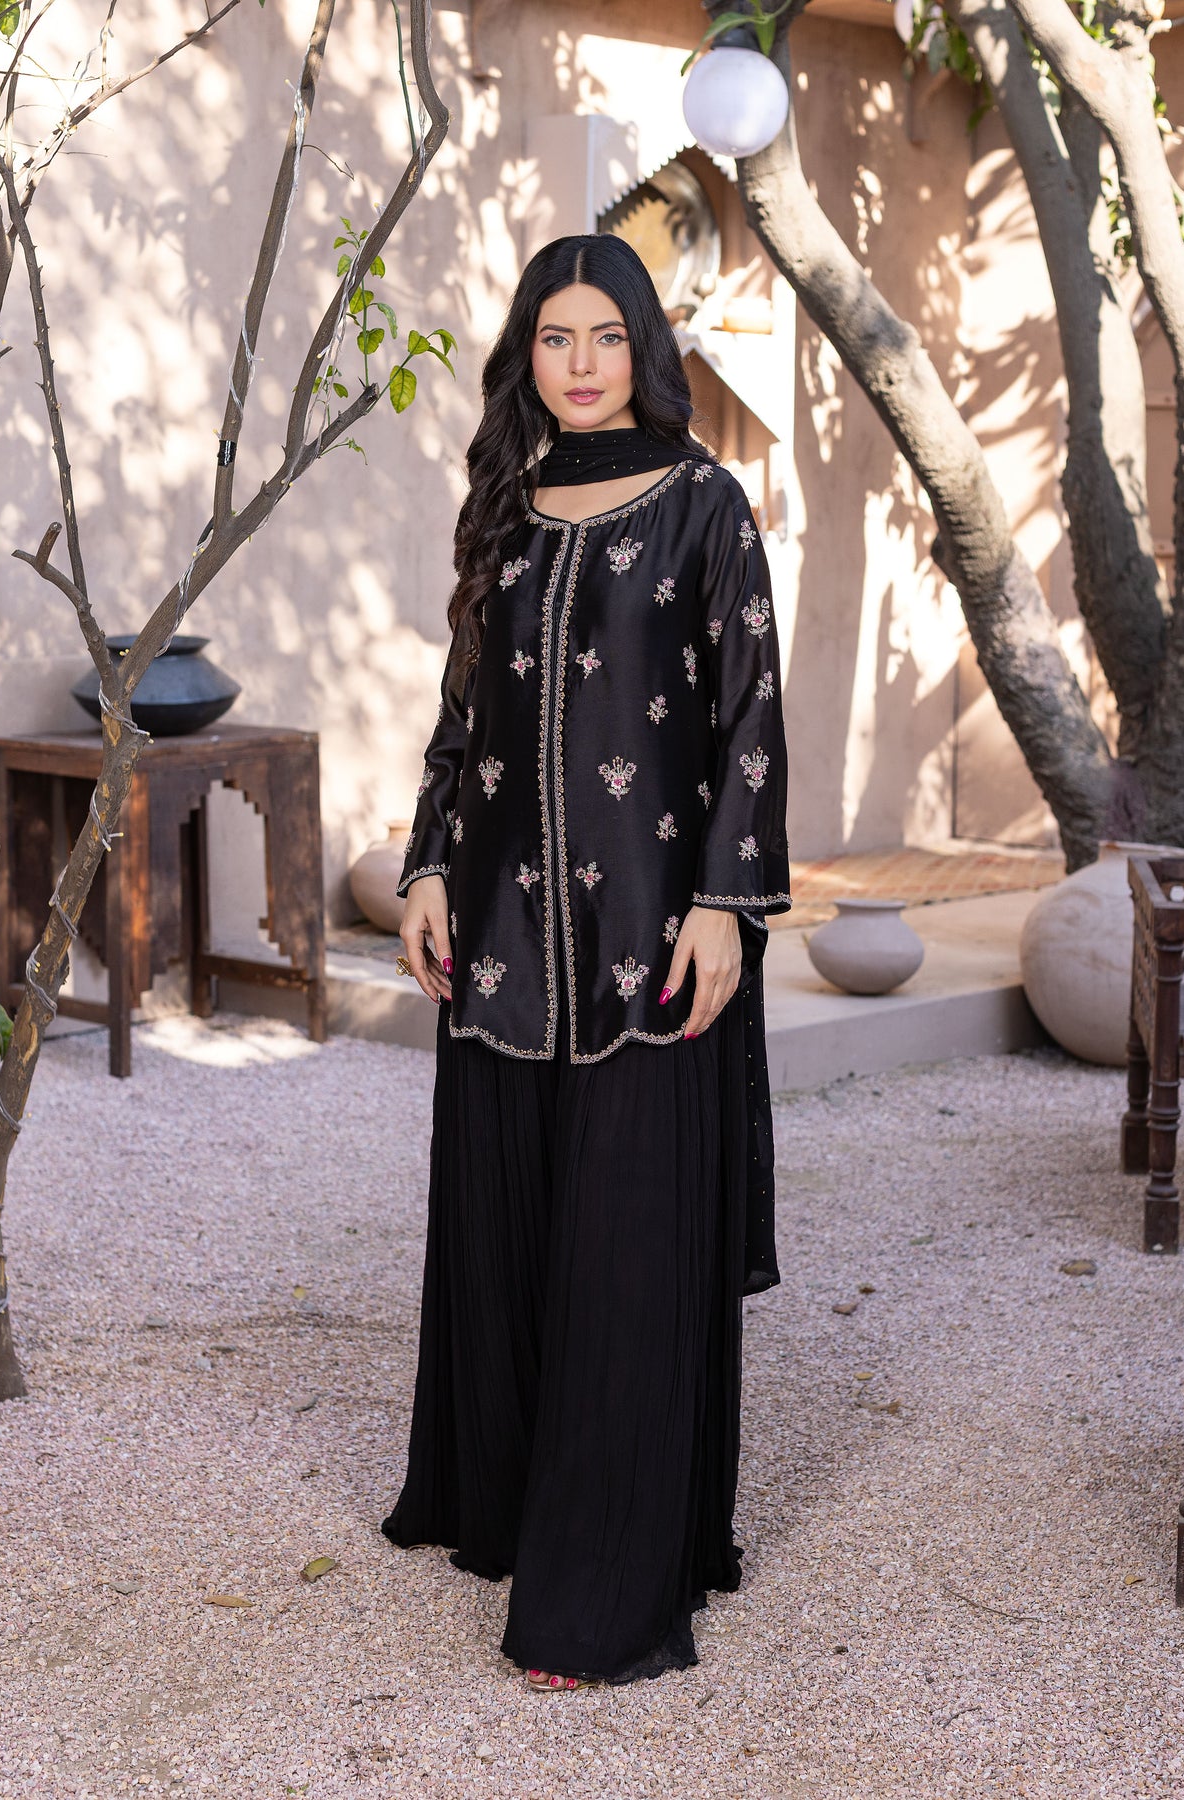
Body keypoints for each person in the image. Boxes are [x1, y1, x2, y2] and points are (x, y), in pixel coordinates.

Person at [381, 232, 791, 1689]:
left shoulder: (704, 505)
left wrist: (725, 903)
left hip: (648, 945)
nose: (580, 363)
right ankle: (502, 1505)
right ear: (526, 354)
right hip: (501, 944)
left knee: (628, 1254)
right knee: (508, 1238)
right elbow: (461, 720)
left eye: (605, 336)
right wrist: (429, 866)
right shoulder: (502, 509)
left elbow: (749, 717)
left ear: (644, 348)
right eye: (555, 337)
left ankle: (605, 1590)